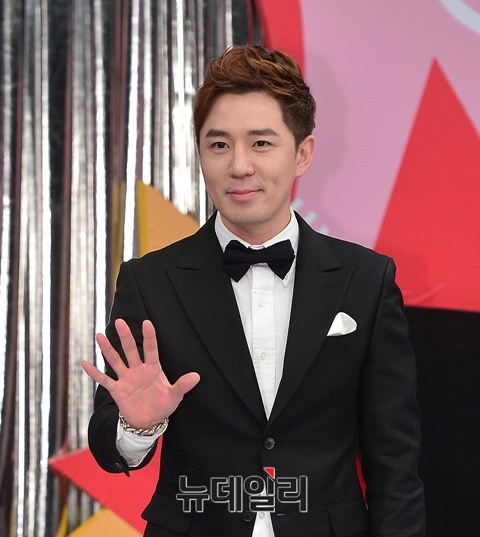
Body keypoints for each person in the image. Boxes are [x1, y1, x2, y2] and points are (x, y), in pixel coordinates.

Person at [83, 44, 425, 537]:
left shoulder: (366, 280)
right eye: (219, 145)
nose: (239, 166)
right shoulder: (151, 281)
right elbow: (107, 443)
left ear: (302, 153)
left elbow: (395, 460)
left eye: (261, 143)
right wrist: (136, 428)